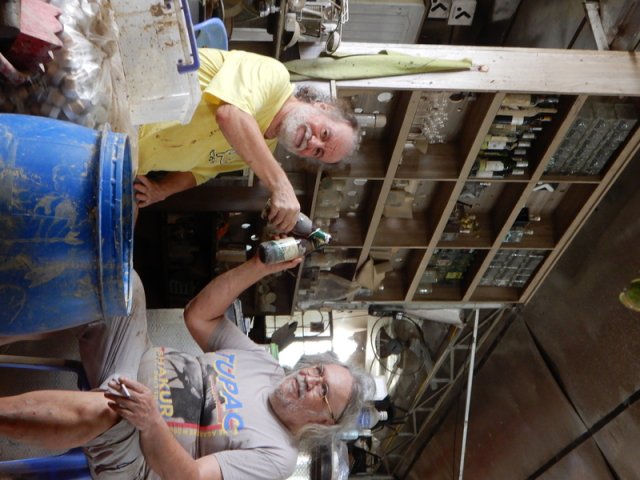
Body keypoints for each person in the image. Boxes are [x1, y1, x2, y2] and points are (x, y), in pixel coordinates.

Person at [0, 255, 374, 480]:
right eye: (319, 371)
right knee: (125, 286)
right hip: (132, 370)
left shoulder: (279, 456)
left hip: (137, 457)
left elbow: (190, 476)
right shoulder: (266, 365)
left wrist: (150, 422)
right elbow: (199, 315)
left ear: (324, 422)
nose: (310, 379)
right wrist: (258, 266)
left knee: (113, 408)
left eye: (323, 391)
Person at [134, 48, 360, 232]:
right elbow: (230, 114)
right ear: (322, 107)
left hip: (128, 156)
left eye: (318, 152)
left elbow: (200, 172)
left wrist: (161, 190)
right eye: (325, 133)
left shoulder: (258, 152)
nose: (314, 143)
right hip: (131, 100)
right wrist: (280, 185)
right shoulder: (274, 76)